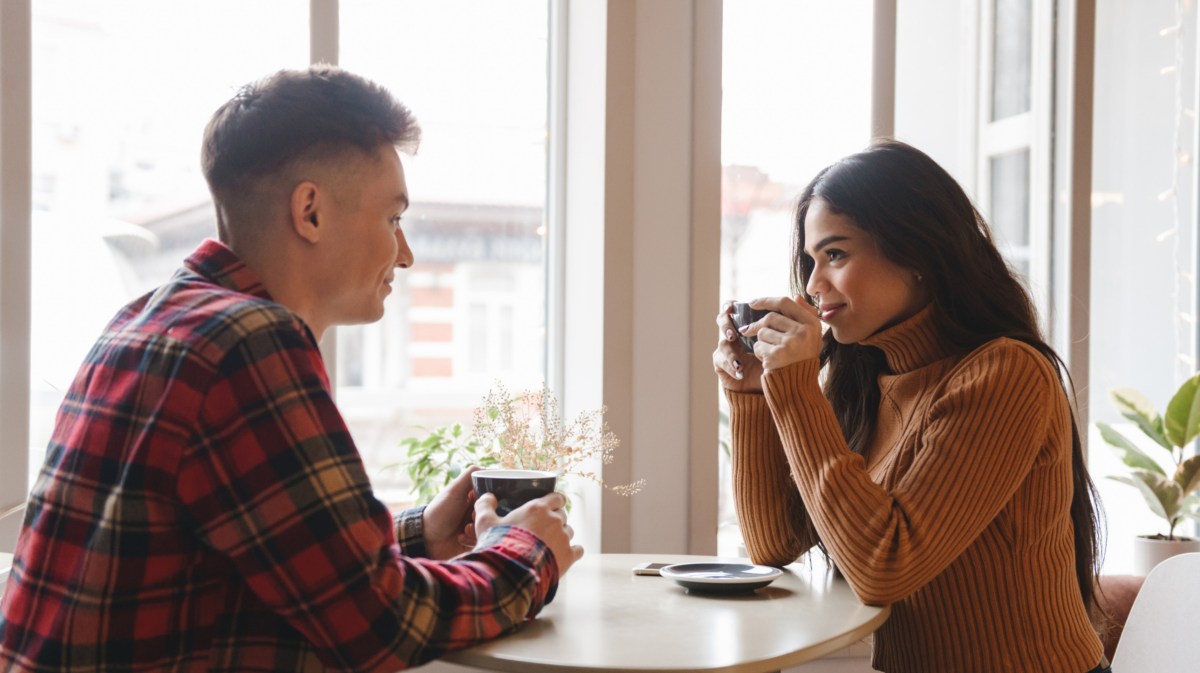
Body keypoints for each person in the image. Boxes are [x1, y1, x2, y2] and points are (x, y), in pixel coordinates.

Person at [0, 65, 581, 673]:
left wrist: (418, 536)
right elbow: (382, 627)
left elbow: (249, 563)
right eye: (393, 219)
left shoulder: (147, 320)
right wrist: (526, 551)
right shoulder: (249, 342)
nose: (405, 255)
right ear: (310, 212)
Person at [712, 139, 1108, 673]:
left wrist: (798, 389)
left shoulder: (1006, 374)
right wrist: (754, 394)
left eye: (836, 254)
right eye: (811, 260)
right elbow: (773, 542)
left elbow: (885, 566)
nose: (812, 285)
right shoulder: (870, 379)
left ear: (918, 253)